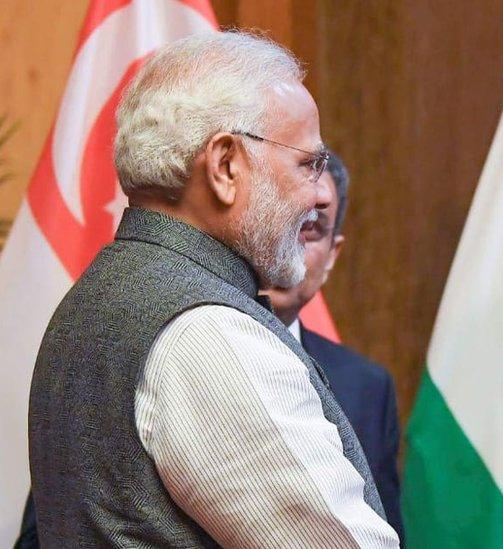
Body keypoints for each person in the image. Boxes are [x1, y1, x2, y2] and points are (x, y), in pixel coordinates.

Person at [27, 32, 398, 547]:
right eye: (306, 164)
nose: (319, 195)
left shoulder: (97, 294)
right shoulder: (207, 332)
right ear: (226, 166)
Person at [266, 153, 406, 543]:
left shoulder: (368, 387)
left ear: (332, 256)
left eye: (311, 229)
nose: (289, 247)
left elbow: (384, 532)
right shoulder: (187, 352)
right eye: (281, 221)